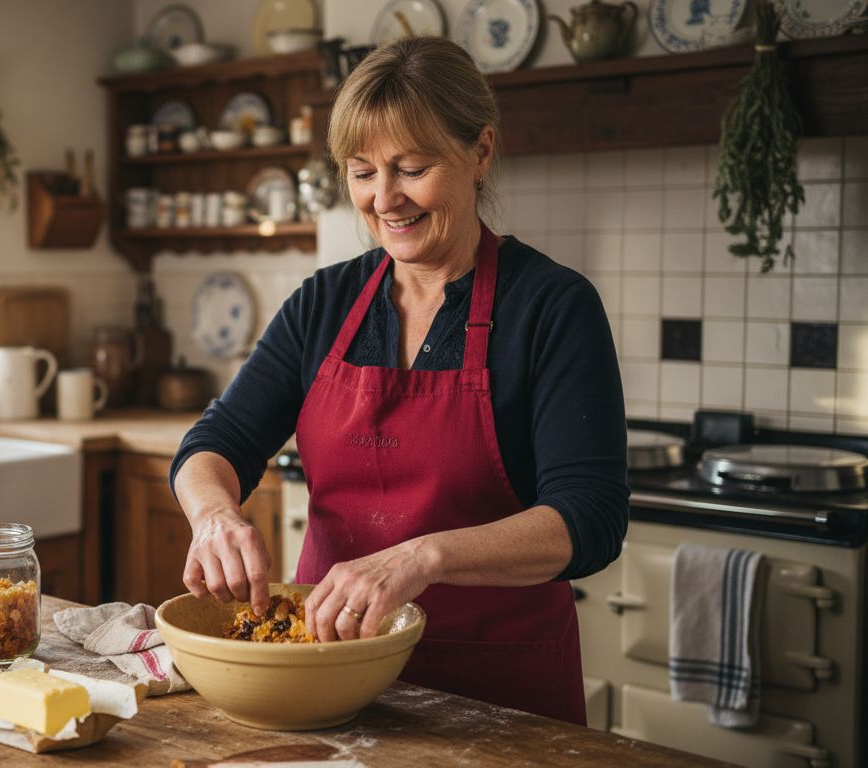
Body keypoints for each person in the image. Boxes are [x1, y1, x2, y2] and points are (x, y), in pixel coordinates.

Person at [169, 36, 628, 725]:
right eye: (362, 172)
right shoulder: (324, 303)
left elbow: (590, 517)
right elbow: (217, 441)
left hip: (499, 700)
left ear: (480, 152)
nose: (384, 199)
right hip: (330, 680)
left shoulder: (553, 307)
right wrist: (213, 515)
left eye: (411, 168)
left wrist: (421, 558)